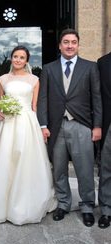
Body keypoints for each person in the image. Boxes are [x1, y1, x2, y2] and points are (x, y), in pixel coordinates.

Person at [0, 46, 57, 225]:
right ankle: (2, 204)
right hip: (7, 124)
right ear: (11, 58)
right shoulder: (2, 79)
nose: (18, 60)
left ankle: (24, 203)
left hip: (26, 123)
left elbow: (35, 105)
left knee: (25, 159)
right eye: (15, 56)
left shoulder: (34, 80)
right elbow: (1, 101)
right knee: (6, 159)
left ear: (27, 61)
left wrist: (40, 127)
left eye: (22, 57)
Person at [37, 29, 102, 227]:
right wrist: (43, 124)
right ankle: (63, 203)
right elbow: (43, 98)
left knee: (84, 169)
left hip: (82, 125)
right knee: (59, 169)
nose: (70, 45)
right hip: (56, 127)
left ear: (78, 45)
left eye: (73, 42)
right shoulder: (48, 68)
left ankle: (87, 206)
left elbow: (96, 98)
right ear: (59, 45)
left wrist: (97, 126)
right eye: (66, 42)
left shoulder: (90, 67)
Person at [97, 52, 111, 228]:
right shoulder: (102, 63)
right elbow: (97, 95)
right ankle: (106, 210)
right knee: (106, 168)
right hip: (109, 123)